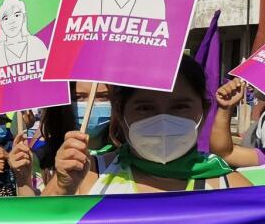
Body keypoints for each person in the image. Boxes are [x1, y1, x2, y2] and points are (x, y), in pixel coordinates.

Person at [45, 55, 249, 195]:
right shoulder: (88, 176)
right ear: (119, 112)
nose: (163, 119)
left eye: (180, 107)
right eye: (145, 108)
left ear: (203, 111)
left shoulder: (233, 189)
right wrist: (63, 188)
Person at [0, 0, 49, 69]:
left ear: (23, 18)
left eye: (17, 15)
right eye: (6, 18)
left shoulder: (37, 44)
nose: (12, 21)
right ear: (1, 24)